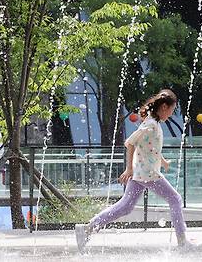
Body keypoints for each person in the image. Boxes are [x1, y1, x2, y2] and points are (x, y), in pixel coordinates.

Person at [75, 89, 192, 251]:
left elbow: (150, 147)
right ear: (164, 107)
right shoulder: (150, 125)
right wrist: (129, 169)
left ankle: (88, 228)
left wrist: (163, 161)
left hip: (142, 172)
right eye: (171, 111)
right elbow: (130, 143)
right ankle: (182, 242)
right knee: (175, 199)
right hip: (147, 174)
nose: (171, 115)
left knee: (126, 206)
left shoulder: (153, 122)